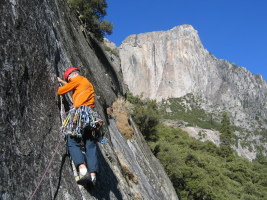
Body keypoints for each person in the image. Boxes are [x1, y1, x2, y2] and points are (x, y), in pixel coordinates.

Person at [57, 67, 98, 185]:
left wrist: (62, 85)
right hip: (91, 117)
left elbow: (61, 91)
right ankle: (93, 175)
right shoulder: (86, 82)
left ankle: (82, 169)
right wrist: (63, 82)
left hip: (80, 114)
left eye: (69, 79)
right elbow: (75, 88)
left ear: (73, 75)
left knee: (72, 141)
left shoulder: (77, 79)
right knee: (90, 146)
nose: (69, 81)